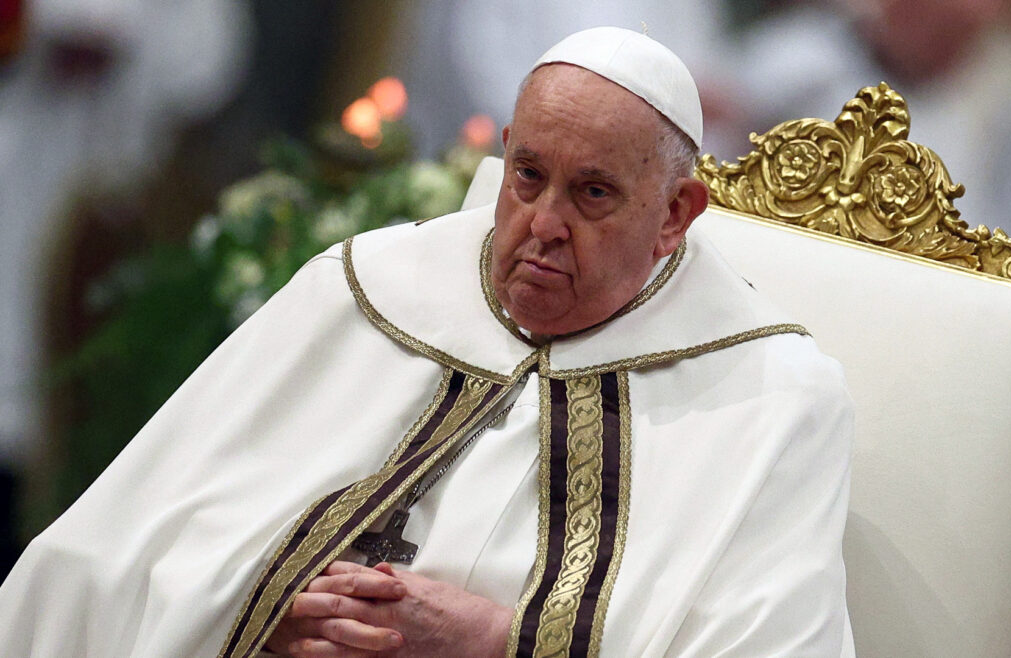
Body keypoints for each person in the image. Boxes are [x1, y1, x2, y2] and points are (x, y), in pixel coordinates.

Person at [0, 27, 854, 656]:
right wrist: (261, 606)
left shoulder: (770, 396)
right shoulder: (368, 287)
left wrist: (499, 642)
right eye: (528, 177)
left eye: (592, 194)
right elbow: (108, 554)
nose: (543, 225)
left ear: (675, 214)